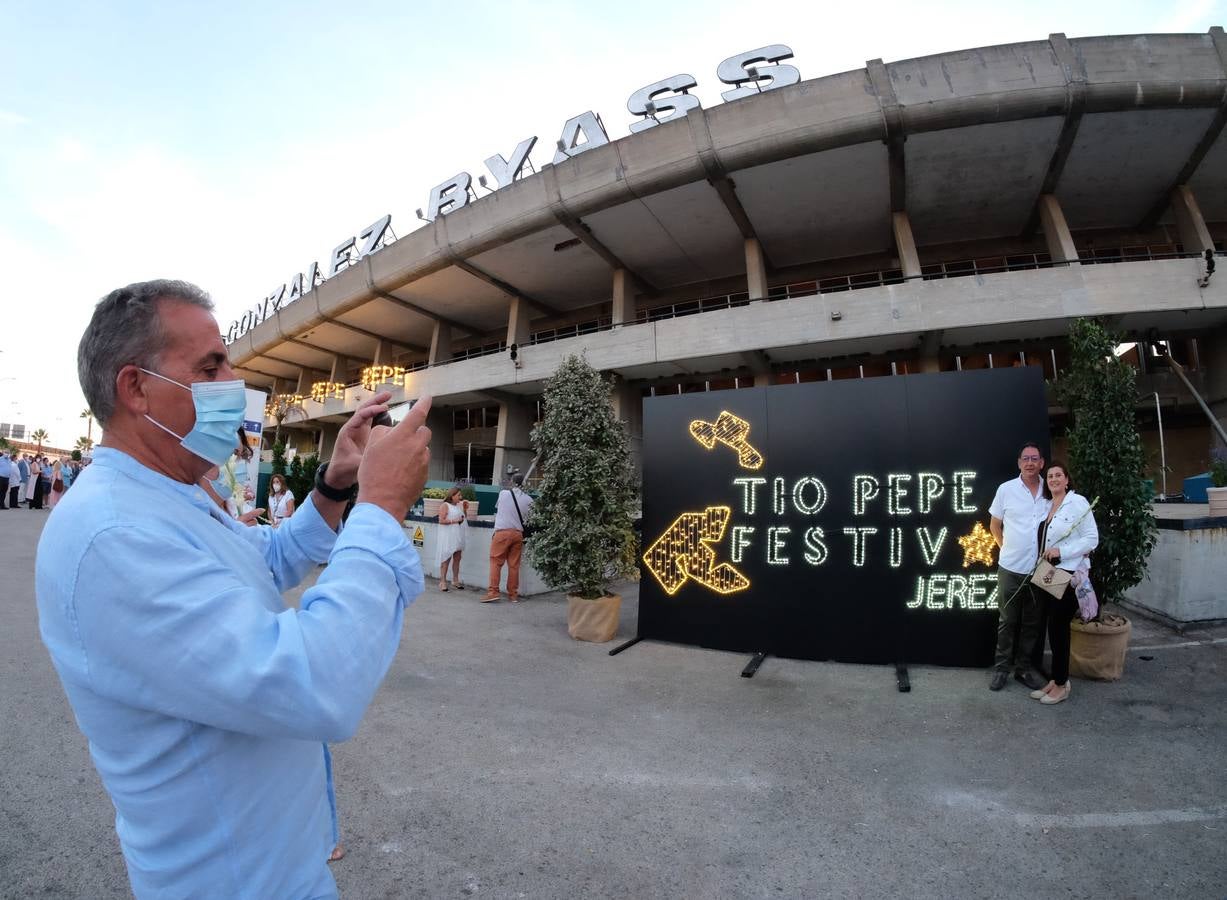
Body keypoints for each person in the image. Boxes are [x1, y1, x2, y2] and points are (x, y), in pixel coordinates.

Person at [36, 279, 433, 898]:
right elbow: (316, 681)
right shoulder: (114, 534)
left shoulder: (169, 493)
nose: (233, 380)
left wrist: (334, 485)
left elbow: (264, 560)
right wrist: (380, 506)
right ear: (136, 388)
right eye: (211, 364)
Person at [1031, 461, 1099, 705]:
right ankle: (1057, 680)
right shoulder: (1048, 505)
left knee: (1059, 630)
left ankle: (1062, 685)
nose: (1054, 479)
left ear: (1067, 479)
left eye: (1058, 475)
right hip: (1049, 573)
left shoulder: (1078, 503)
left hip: (1068, 575)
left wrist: (1063, 550)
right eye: (1049, 476)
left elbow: (1092, 538)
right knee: (1051, 626)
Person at [986, 441, 1050, 692]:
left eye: (1035, 458)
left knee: (1033, 623)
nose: (1030, 463)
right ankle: (1001, 669)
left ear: (1042, 463)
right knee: (1007, 620)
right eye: (1026, 458)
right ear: (1019, 463)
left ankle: (1023, 668)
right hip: (1011, 567)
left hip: (1044, 568)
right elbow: (994, 525)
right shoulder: (1006, 489)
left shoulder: (1051, 489)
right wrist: (1006, 548)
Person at [485, 474, 533, 603]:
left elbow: (498, 509)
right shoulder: (529, 500)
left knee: (496, 562)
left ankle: (493, 592)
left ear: (512, 482)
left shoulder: (504, 494)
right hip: (518, 534)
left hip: (502, 532)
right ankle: (513, 595)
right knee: (514, 566)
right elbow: (529, 519)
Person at [435, 485, 468, 590]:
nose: (460, 496)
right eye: (459, 495)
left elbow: (462, 519)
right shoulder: (445, 505)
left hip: (458, 535)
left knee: (457, 558)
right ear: (452, 495)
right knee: (446, 558)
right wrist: (455, 521)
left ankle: (455, 580)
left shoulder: (458, 506)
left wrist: (465, 510)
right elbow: (441, 520)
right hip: (448, 536)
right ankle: (442, 582)